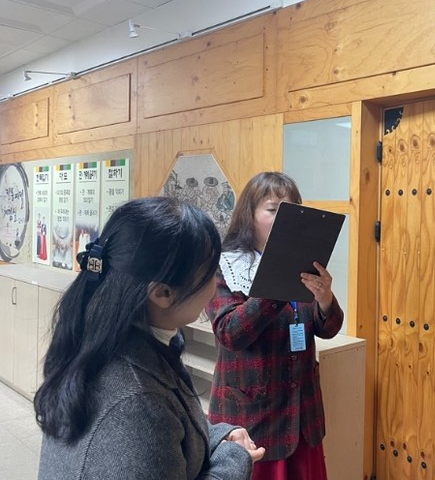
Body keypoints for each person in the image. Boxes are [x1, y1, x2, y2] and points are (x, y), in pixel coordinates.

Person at [34, 196, 265, 479]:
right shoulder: (137, 403)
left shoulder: (102, 340)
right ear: (162, 293)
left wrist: (218, 436)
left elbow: (166, 436)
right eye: (209, 274)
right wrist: (236, 457)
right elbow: (150, 431)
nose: (215, 286)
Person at [206, 172, 344, 480]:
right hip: (251, 418)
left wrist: (325, 299)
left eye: (292, 209)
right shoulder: (225, 265)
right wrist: (276, 285)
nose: (284, 219)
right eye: (273, 209)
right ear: (249, 215)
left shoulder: (303, 263)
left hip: (302, 415)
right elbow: (230, 333)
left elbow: (328, 328)